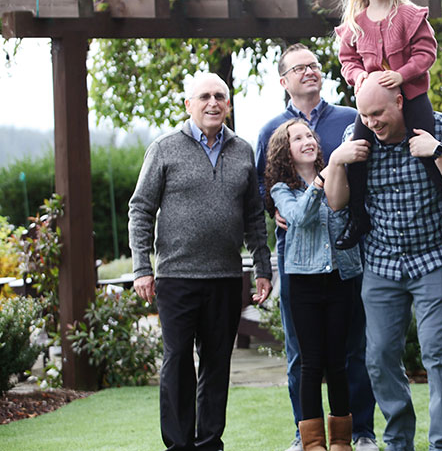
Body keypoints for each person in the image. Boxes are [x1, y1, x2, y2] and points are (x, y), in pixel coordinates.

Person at [325, 72, 442, 451]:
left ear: (399, 102)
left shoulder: (438, 126)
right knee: (378, 357)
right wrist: (336, 161)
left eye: (378, 113)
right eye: (365, 115)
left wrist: (438, 152)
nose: (372, 122)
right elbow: (336, 202)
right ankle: (398, 439)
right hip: (382, 262)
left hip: (437, 258)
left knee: (438, 354)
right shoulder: (356, 138)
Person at [129, 72, 273, 451]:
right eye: (205, 96)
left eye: (220, 96)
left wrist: (262, 267)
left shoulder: (242, 150)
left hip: (226, 277)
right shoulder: (164, 148)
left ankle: (209, 443)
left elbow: (255, 216)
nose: (213, 103)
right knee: (177, 362)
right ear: (188, 104)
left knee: (216, 364)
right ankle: (178, 445)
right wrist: (142, 268)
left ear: (228, 105)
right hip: (176, 277)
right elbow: (140, 209)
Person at [255, 43, 378, 451]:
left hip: (344, 258)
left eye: (314, 65)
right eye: (299, 67)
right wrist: (276, 208)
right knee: (301, 355)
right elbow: (265, 188)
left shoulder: (348, 118)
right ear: (283, 80)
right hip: (301, 263)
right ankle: (304, 434)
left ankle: (359, 431)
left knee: (353, 351)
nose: (309, 71)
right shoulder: (272, 128)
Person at [333, 0, 442, 250]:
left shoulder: (409, 15)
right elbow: (347, 60)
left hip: (411, 96)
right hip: (375, 103)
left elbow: (426, 53)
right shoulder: (356, 23)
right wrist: (359, 75)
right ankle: (358, 216)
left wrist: (402, 74)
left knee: (426, 146)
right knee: (358, 153)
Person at [264, 119, 364, 451]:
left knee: (338, 361)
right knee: (310, 362)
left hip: (340, 279)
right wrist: (324, 175)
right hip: (304, 283)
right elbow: (301, 217)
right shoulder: (282, 189)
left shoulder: (337, 175)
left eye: (310, 136)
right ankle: (313, 443)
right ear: (285, 151)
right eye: (297, 138)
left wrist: (333, 171)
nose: (308, 141)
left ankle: (340, 441)